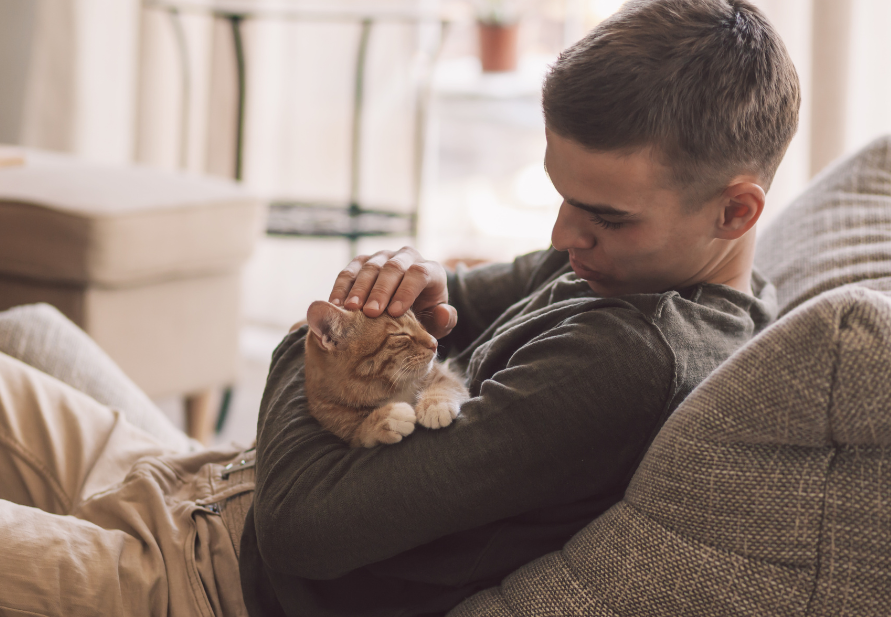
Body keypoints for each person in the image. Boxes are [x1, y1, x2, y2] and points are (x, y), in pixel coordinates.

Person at [0, 1, 798, 616]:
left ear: (735, 212)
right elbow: (445, 303)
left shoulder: (621, 359)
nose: (563, 237)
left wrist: (302, 343)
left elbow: (307, 529)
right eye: (561, 197)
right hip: (196, 479)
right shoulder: (632, 266)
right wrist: (411, 277)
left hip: (199, 582)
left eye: (604, 214)